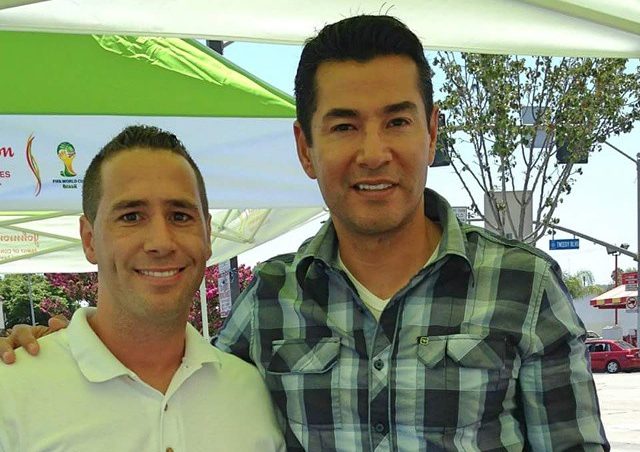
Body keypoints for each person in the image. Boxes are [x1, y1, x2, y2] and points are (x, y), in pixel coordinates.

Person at [1, 15, 608, 452]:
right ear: (306, 147)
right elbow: (170, 366)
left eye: (397, 121)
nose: (373, 153)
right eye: (343, 126)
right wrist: (55, 350)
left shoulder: (524, 287)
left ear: (431, 133)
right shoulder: (268, 301)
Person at [0, 125, 285, 451]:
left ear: (207, 234)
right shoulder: (10, 392)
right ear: (89, 240)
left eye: (180, 216)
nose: (161, 242)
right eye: (131, 216)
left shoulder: (253, 393)